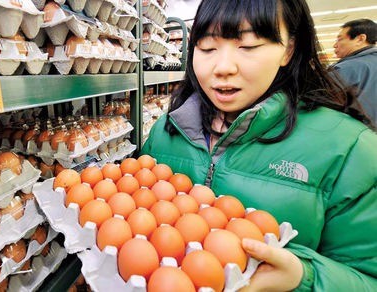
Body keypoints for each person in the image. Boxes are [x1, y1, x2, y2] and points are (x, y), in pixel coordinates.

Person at [141, 0, 377, 291]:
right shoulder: (166, 131)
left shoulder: (350, 149)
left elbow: (367, 277)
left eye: (249, 45)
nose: (223, 67)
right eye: (206, 47)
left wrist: (303, 277)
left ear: (288, 49)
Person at [332, 19, 377, 124]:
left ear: (360, 39)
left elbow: (316, 99)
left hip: (356, 131)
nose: (335, 45)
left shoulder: (347, 68)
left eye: (340, 39)